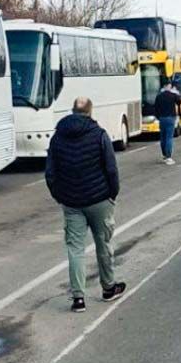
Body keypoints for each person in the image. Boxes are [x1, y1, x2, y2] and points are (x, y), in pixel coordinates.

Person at [45, 97, 126, 312]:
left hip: (71, 203)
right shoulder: (99, 135)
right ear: (90, 112)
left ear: (72, 111)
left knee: (75, 249)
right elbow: (111, 168)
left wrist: (60, 196)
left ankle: (78, 298)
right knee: (104, 244)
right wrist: (112, 194)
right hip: (100, 200)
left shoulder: (57, 137)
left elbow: (50, 173)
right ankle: (108, 288)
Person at [154, 83, 181, 165]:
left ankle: (164, 155)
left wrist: (158, 117)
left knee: (163, 137)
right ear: (169, 86)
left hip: (162, 118)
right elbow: (179, 102)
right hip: (170, 118)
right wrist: (176, 93)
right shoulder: (173, 95)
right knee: (169, 138)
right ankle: (168, 157)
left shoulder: (159, 96)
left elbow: (156, 108)